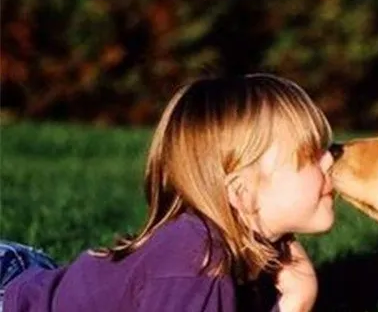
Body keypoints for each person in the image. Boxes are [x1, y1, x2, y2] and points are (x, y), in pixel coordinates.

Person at [1, 73, 336, 312]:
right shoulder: (197, 264)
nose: (330, 160)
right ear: (242, 193)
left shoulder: (258, 251)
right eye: (309, 155)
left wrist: (296, 300)